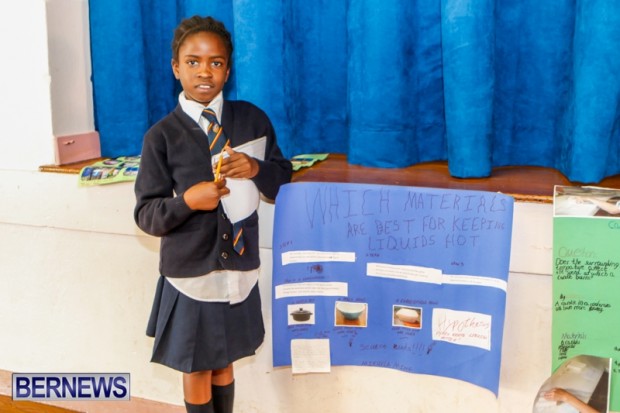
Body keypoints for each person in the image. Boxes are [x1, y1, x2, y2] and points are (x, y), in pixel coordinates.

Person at [134, 15, 292, 413]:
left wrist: (255, 169)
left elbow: (281, 180)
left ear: (228, 70)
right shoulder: (161, 136)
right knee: (198, 365)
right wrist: (188, 201)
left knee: (224, 359)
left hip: (239, 268)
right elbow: (147, 214)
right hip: (192, 275)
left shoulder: (252, 119)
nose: (205, 71)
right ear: (176, 68)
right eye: (193, 62)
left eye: (216, 62)